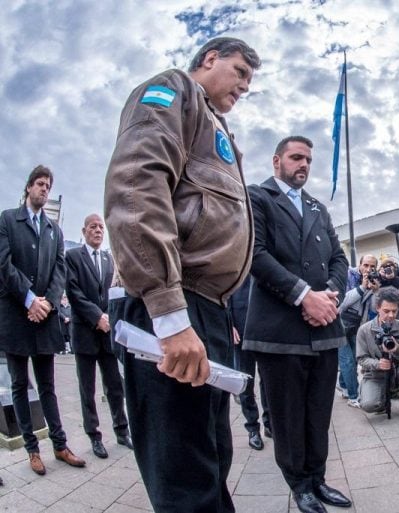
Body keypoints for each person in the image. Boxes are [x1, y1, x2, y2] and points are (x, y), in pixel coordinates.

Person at [104, 37, 260, 513]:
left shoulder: (220, 128)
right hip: (173, 304)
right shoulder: (173, 91)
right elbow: (137, 184)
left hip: (205, 308)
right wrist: (170, 317)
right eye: (240, 73)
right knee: (184, 478)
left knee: (211, 458)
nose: (245, 87)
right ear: (209, 59)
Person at [243, 135, 352, 513]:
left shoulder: (317, 208)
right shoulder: (258, 197)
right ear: (277, 162)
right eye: (295, 158)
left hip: (323, 328)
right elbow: (255, 254)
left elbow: (339, 258)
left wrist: (330, 296)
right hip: (281, 330)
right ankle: (299, 484)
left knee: (318, 413)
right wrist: (305, 295)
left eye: (308, 159)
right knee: (288, 416)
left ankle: (318, 479)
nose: (303, 164)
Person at [0, 165, 86, 475]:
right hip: (16, 316)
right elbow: (4, 265)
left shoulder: (55, 231)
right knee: (21, 385)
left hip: (45, 317)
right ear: (28, 188)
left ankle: (60, 445)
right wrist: (29, 299)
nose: (44, 189)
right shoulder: (8, 220)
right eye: (40, 183)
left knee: (48, 385)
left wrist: (47, 301)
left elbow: (60, 270)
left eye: (48, 185)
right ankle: (32, 450)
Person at [65, 214, 131, 459]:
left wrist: (111, 318)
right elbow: (73, 291)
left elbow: (116, 291)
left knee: (115, 385)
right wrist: (97, 317)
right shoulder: (72, 257)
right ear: (84, 231)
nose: (98, 230)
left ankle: (122, 431)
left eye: (101, 227)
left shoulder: (110, 260)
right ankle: (94, 436)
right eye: (93, 227)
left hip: (108, 335)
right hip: (85, 333)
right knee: (87, 388)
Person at [356, 286, 399, 421]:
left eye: (394, 311)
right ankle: (375, 397)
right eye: (386, 311)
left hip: (398, 371)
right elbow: (361, 358)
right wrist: (378, 364)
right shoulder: (364, 330)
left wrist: (397, 349)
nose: (391, 315)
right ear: (377, 308)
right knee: (369, 405)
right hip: (375, 374)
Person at [229, 274, 270, 450]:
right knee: (246, 382)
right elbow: (223, 294)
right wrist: (228, 324)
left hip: (264, 330)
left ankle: (270, 423)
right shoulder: (233, 260)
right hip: (241, 329)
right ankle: (253, 428)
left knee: (268, 381)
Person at [338, 265, 381, 407]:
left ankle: (343, 384)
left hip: (356, 327)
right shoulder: (347, 277)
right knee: (348, 361)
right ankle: (353, 396)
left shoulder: (373, 282)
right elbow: (343, 303)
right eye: (366, 265)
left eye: (372, 266)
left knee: (354, 361)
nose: (368, 269)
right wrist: (362, 287)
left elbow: (375, 309)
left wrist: (375, 291)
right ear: (360, 265)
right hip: (339, 326)